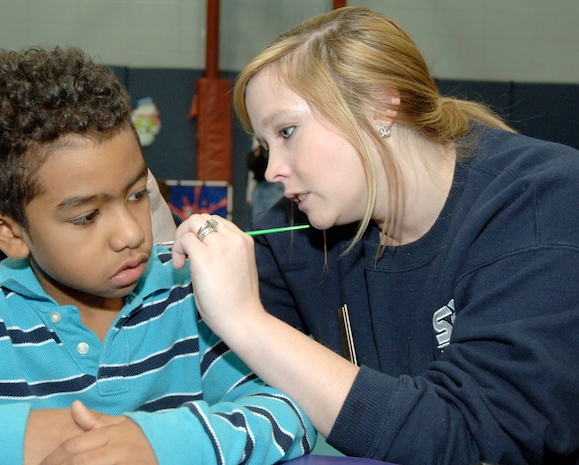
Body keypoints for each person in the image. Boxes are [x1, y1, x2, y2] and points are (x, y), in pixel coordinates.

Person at [169, 6, 579, 465]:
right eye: (267, 146)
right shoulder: (300, 232)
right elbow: (178, 349)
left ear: (381, 106)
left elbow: (472, 439)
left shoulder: (543, 202)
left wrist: (248, 322)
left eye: (288, 131)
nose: (272, 170)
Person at [0, 46, 315, 465]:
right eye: (87, 217)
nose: (130, 233)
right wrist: (23, 437)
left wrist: (166, 444)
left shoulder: (188, 303)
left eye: (136, 195)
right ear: (9, 233)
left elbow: (291, 411)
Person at [246, 143, 284, 219]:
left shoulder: (277, 149)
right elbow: (250, 163)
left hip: (274, 186)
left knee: (274, 219)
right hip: (260, 185)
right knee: (257, 220)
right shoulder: (258, 151)